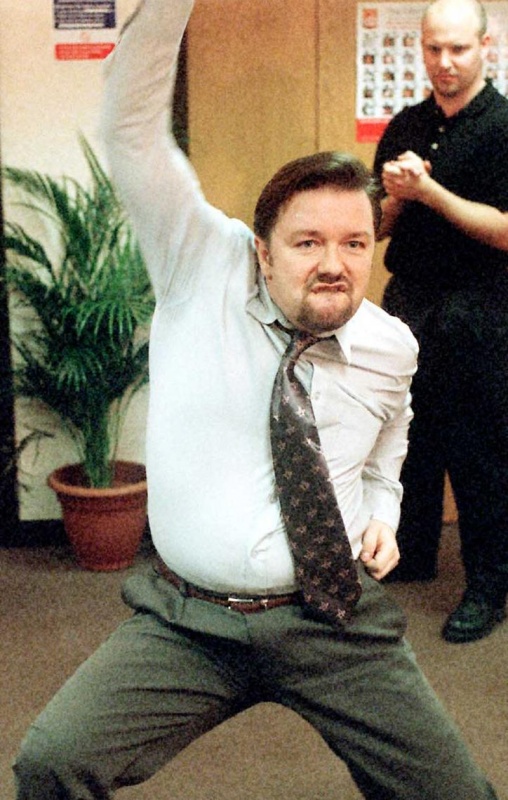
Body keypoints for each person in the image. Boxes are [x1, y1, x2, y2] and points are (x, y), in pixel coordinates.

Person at [13, 2, 499, 798]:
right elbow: (132, 130)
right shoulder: (200, 266)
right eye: (307, 243)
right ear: (262, 252)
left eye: (353, 243)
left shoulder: (388, 345)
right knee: (52, 763)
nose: (334, 263)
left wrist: (382, 507)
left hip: (335, 619)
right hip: (190, 622)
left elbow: (390, 439)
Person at [374, 0, 508, 643]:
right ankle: (412, 553)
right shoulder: (406, 124)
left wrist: (429, 192)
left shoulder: (503, 127)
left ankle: (488, 586)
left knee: (480, 452)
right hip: (411, 300)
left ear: (486, 46)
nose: (445, 62)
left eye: (458, 48)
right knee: (409, 440)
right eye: (434, 48)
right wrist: (395, 199)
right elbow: (376, 228)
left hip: (482, 307)